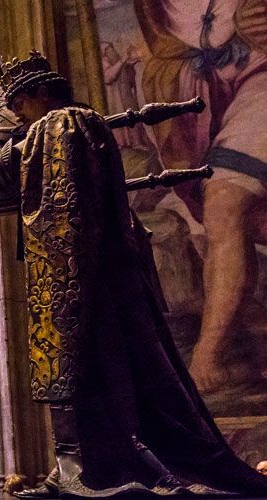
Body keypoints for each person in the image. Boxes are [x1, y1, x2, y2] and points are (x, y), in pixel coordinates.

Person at [0, 51, 267, 497]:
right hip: (95, 268)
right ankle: (76, 464)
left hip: (75, 274)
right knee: (96, 368)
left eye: (20, 103)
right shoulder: (84, 125)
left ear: (40, 94)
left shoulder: (60, 124)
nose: (18, 115)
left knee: (80, 367)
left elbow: (1, 168)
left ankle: (85, 468)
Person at [134, 0, 267, 392]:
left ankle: (207, 360)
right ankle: (224, 352)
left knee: (225, 202)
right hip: (206, 90)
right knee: (224, 216)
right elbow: (166, 36)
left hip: (261, 77)